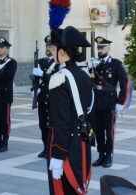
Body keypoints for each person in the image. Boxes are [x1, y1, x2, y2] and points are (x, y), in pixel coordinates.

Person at [47, 26, 93, 195]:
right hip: (81, 145)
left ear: (62, 52)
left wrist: (58, 154)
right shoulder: (84, 75)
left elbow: (61, 120)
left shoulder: (59, 78)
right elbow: (89, 111)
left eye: (53, 49)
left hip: (64, 145)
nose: (51, 53)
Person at [89, 36, 128, 168]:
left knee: (109, 131)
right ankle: (101, 155)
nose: (100, 50)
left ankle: (108, 156)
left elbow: (124, 83)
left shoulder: (115, 64)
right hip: (96, 102)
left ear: (109, 48)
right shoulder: (94, 63)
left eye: (103, 47)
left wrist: (120, 102)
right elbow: (90, 82)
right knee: (98, 131)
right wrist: (89, 69)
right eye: (99, 48)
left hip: (109, 102)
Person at [32, 35, 57, 158]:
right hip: (42, 98)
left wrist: (42, 74)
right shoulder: (41, 61)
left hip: (53, 98)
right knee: (42, 125)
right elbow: (35, 79)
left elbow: (55, 79)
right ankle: (45, 148)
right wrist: (34, 87)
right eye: (47, 46)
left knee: (51, 125)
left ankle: (51, 148)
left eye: (50, 46)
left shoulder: (57, 63)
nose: (48, 48)